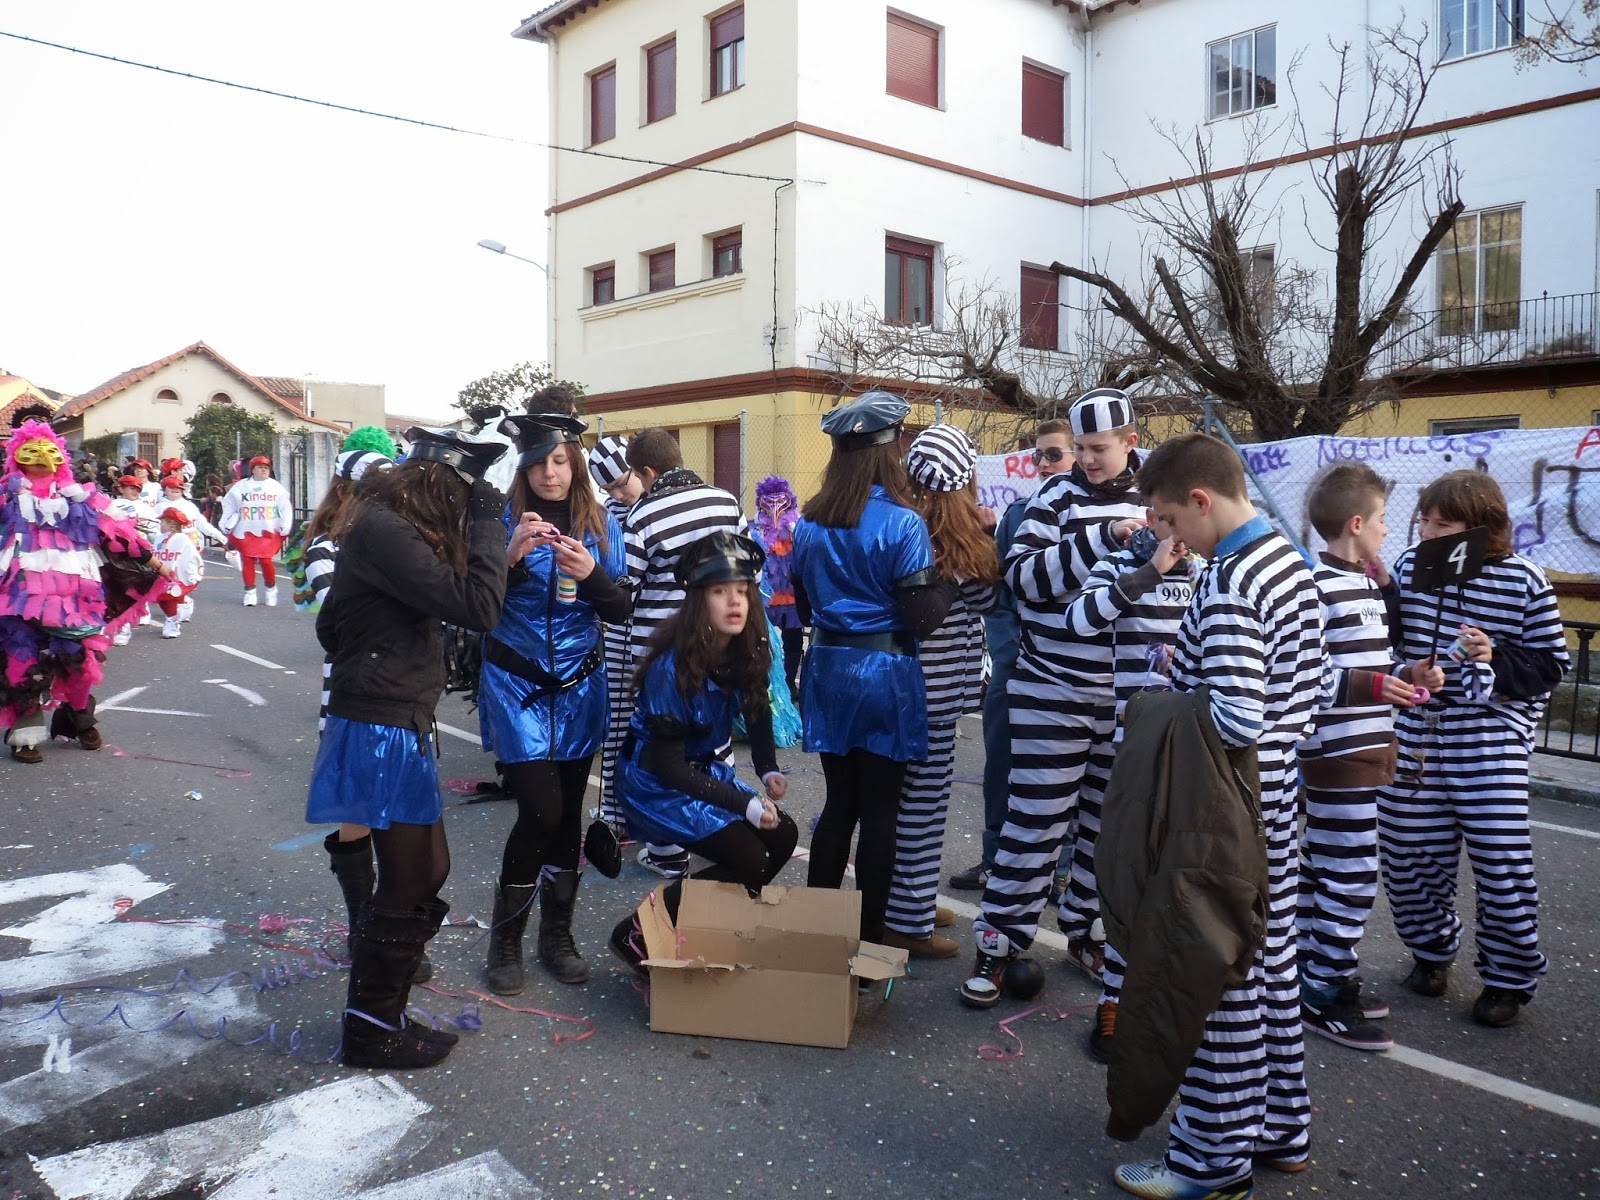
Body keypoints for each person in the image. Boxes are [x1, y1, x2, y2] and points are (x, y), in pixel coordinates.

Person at [1109, 432, 1325, 1200]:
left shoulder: (1231, 580)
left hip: (1224, 807)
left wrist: (1162, 699)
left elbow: (1234, 716)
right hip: (1274, 800)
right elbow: (1317, 685)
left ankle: (1210, 1161)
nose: (1167, 538)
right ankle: (1280, 1129)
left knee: (1216, 979)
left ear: (1200, 502)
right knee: (1267, 968)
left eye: (1168, 521)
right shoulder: (1289, 561)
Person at [305, 427, 512, 1069]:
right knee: (409, 876)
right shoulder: (386, 531)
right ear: (441, 490)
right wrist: (486, 518)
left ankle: (381, 1016)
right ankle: (371, 1029)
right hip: (380, 723)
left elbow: (330, 626)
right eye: (460, 499)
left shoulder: (383, 530)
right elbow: (479, 607)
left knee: (427, 870)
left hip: (390, 716)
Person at [963, 388, 1147, 1007]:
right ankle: (998, 944)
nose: (1088, 461)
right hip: (1052, 687)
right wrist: (1101, 542)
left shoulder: (1158, 498)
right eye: (1083, 449)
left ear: (1131, 442)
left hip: (1127, 699)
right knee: (1035, 821)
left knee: (1105, 828)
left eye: (1100, 449)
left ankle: (1089, 931)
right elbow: (1021, 580)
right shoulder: (1052, 497)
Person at [1378, 469, 1568, 1029]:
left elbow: (1550, 666)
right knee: (1409, 851)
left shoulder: (1525, 581)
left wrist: (1492, 658)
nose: (1431, 532)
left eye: (1446, 524)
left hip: (1492, 740)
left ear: (1483, 528)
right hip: (1417, 737)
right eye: (1426, 521)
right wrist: (1407, 671)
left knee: (1500, 860)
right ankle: (1430, 953)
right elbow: (1384, 645)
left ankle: (1508, 980)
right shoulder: (1410, 569)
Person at [791, 391, 955, 950]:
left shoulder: (808, 523)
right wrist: (953, 576)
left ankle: (816, 931)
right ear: (890, 453)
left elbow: (806, 608)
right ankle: (866, 943)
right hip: (885, 673)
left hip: (828, 668)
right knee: (882, 810)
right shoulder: (905, 524)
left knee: (840, 803)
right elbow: (921, 619)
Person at [479, 411, 629, 994]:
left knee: (567, 815)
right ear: (522, 466)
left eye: (560, 460)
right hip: (516, 684)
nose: (549, 473)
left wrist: (592, 575)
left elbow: (619, 609)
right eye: (538, 462)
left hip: (580, 684)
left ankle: (556, 938)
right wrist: (509, 561)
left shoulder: (601, 522)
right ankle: (506, 941)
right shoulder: (497, 520)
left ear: (576, 464)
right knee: (539, 810)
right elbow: (476, 611)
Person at [1295, 464, 1442, 1052]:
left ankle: (1313, 972)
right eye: (1383, 520)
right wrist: (1374, 686)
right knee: (1351, 873)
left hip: (1367, 745)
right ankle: (1325, 989)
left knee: (1326, 867)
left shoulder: (1367, 584)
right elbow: (1301, 674)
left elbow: (1368, 670)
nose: (1389, 531)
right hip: (1337, 751)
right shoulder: (1317, 587)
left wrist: (1404, 675)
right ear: (1357, 524)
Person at [608, 531, 796, 972]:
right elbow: (667, 766)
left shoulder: (747, 646)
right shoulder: (672, 667)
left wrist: (767, 769)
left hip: (702, 771)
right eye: (719, 591)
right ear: (698, 600)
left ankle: (708, 926)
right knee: (748, 857)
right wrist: (744, 802)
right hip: (654, 781)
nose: (735, 602)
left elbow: (757, 708)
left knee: (782, 837)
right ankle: (636, 930)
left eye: (742, 591)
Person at [1060, 508, 1203, 1062]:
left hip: (1195, 750)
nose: (1179, 531)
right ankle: (1114, 1008)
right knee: (1131, 882)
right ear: (1150, 516)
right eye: (1165, 518)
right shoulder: (1123, 560)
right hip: (1136, 748)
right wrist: (1145, 571)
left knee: (1181, 881)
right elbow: (1078, 620)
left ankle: (1171, 1002)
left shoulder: (1210, 571)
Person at [882, 426, 999, 959]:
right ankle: (907, 922)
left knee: (904, 805)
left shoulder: (904, 526)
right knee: (924, 809)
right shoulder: (957, 542)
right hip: (936, 693)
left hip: (904, 687)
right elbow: (988, 601)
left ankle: (910, 904)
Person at [950, 420, 1074, 891]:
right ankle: (993, 859)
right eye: (1038, 455)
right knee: (1001, 760)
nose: (1043, 464)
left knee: (1064, 775)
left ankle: (1060, 871)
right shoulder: (1020, 513)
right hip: (1016, 662)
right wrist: (1008, 655)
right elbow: (998, 594)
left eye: (1054, 455)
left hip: (1069, 668)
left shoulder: (1098, 516)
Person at [0, 420, 170, 763]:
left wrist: (155, 563)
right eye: (31, 453)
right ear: (17, 458)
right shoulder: (6, 495)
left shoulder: (80, 495)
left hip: (74, 595)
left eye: (49, 454)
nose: (41, 461)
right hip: (18, 593)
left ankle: (77, 717)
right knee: (22, 657)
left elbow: (117, 532)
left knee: (78, 659)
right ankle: (26, 730)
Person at [621, 427, 747, 880]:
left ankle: (669, 851)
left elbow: (626, 585)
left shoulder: (642, 515)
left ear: (648, 472)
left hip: (663, 652)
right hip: (720, 641)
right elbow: (747, 566)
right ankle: (726, 829)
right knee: (715, 740)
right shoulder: (726, 501)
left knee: (666, 752)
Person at [587, 433, 645, 830]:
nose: (619, 495)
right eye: (610, 488)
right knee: (617, 727)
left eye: (623, 484)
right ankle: (612, 813)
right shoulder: (606, 514)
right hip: (620, 635)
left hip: (655, 637)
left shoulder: (657, 510)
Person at [751, 475, 805, 700]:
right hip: (767, 590)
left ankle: (789, 680)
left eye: (779, 501)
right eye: (768, 501)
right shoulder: (755, 528)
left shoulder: (797, 526)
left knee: (793, 634)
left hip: (791, 589)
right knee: (763, 635)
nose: (774, 507)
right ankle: (765, 681)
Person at [221, 455, 294, 607]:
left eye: (266, 468)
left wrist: (286, 524)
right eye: (260, 467)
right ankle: (250, 592)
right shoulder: (241, 487)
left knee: (266, 561)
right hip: (246, 530)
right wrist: (225, 521)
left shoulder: (276, 487)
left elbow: (286, 507)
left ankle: (271, 588)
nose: (263, 470)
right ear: (252, 469)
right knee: (247, 560)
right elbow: (229, 504)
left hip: (268, 530)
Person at [151, 508, 205, 639]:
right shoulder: (158, 539)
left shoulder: (183, 540)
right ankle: (179, 607)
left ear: (172, 524)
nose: (160, 525)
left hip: (177, 577)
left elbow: (190, 558)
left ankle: (172, 620)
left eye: (162, 522)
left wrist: (190, 575)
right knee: (160, 598)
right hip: (161, 576)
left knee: (169, 596)